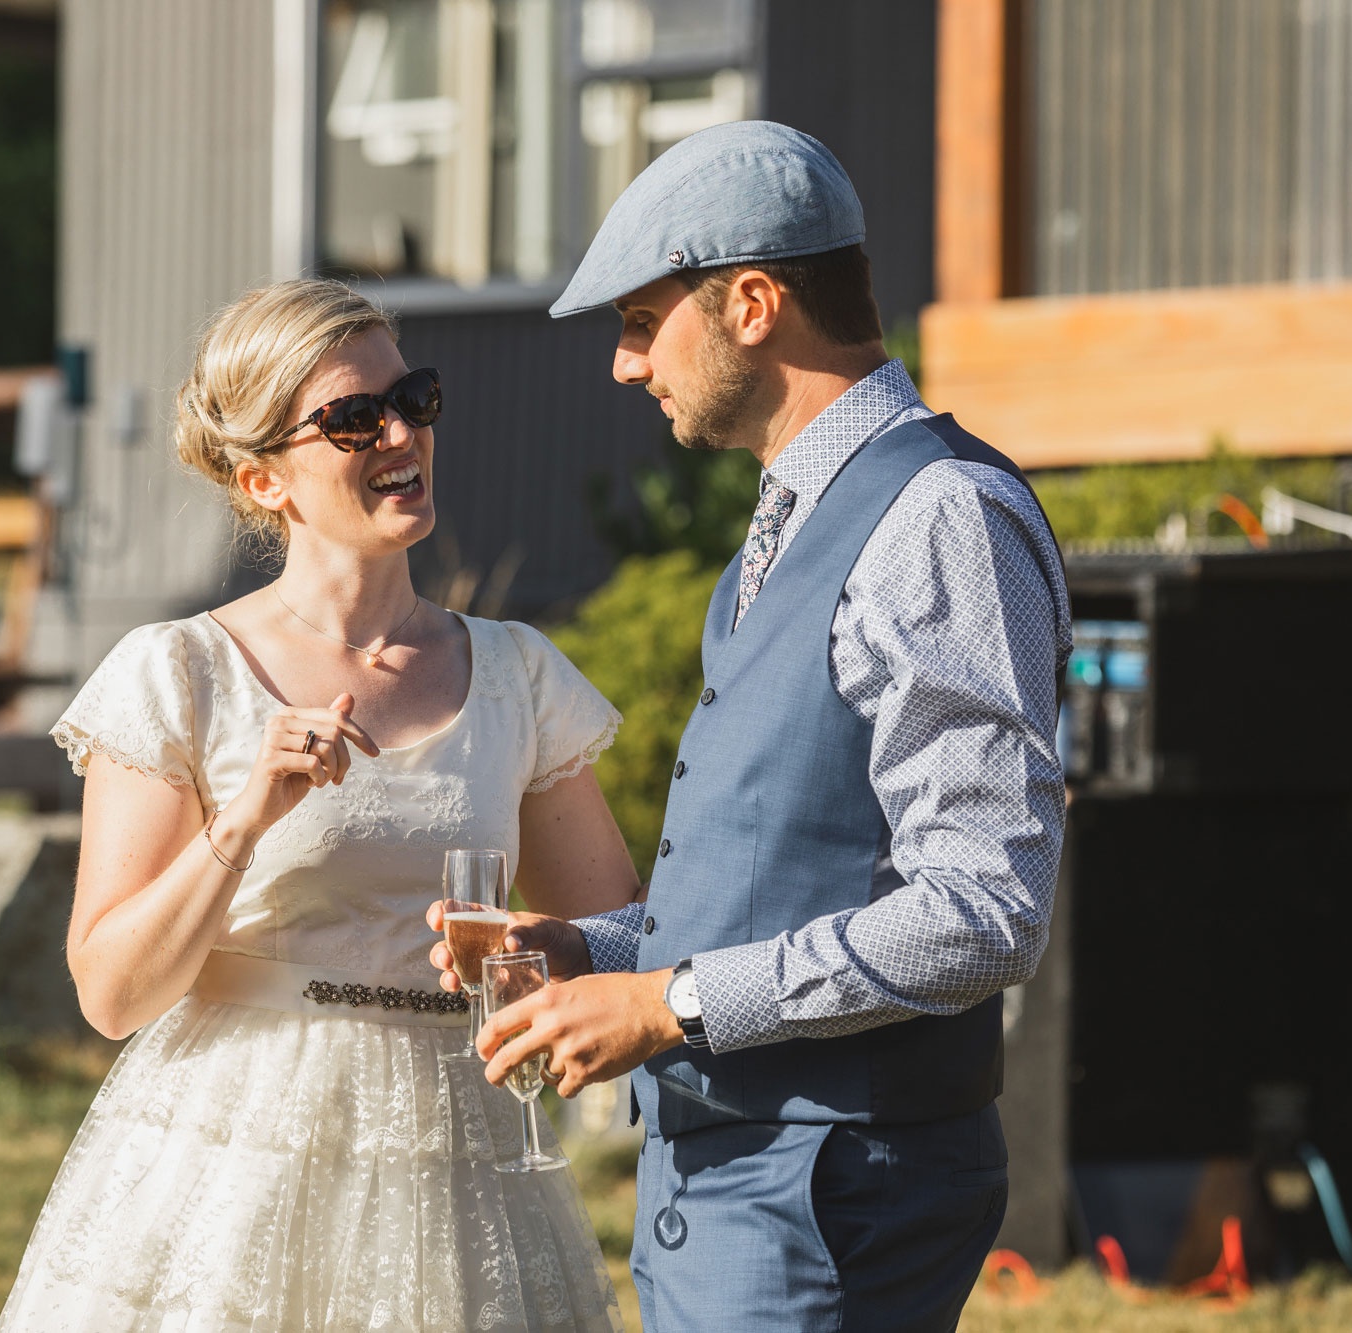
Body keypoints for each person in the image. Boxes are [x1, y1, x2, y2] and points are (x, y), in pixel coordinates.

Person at [433, 121, 1073, 1331]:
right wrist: (596, 954)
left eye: (638, 321)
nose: (624, 365)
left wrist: (667, 1004)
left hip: (830, 1190)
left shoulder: (936, 516)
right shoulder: (785, 526)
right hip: (744, 1183)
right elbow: (794, 873)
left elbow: (983, 907)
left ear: (751, 303)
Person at [0, 279, 633, 1331]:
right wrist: (242, 821)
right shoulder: (181, 673)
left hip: (460, 1160)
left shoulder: (521, 674)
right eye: (352, 418)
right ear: (263, 479)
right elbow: (110, 994)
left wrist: (546, 960)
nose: (401, 432)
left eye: (414, 397)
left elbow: (615, 935)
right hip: (232, 1160)